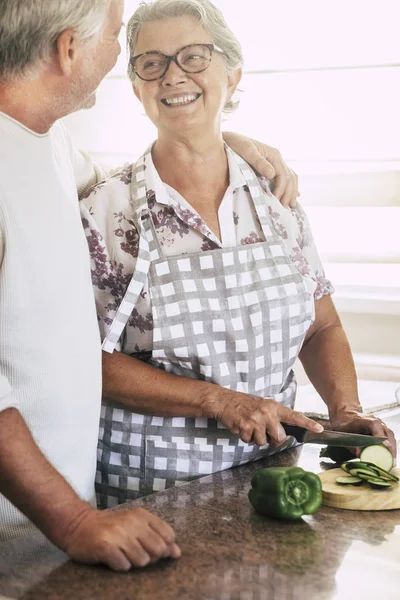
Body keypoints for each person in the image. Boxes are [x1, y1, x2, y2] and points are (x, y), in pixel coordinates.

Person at [0, 0, 300, 572]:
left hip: (54, 524)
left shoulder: (48, 145)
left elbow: (152, 173)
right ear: (69, 49)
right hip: (27, 525)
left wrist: (222, 139)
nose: (119, 57)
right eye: (118, 39)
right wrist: (75, 520)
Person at [80, 0, 397, 510]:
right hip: (154, 489)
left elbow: (321, 326)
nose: (172, 75)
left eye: (194, 56)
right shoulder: (104, 212)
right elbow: (87, 361)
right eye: (151, 62)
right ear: (137, 87)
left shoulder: (277, 198)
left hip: (275, 477)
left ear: (233, 73)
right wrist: (219, 400)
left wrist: (345, 408)